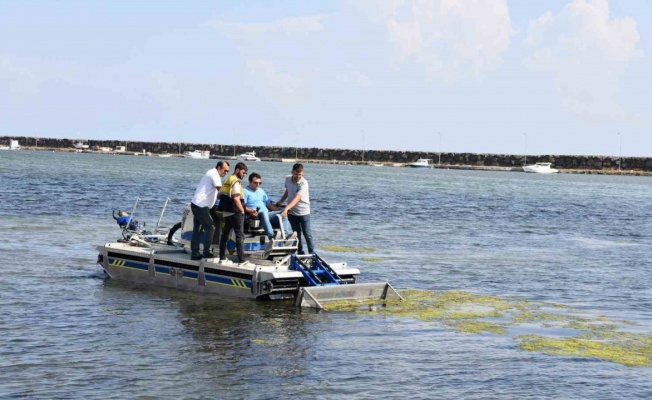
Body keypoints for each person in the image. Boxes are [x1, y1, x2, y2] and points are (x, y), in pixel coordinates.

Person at [190, 160, 229, 260]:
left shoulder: (211, 173)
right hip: (200, 206)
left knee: (197, 229)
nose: (225, 173)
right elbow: (221, 189)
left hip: (198, 204)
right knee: (211, 227)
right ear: (219, 168)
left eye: (227, 172)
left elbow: (218, 193)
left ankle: (194, 253)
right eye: (225, 171)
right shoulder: (214, 174)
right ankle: (206, 252)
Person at [277, 163, 314, 254]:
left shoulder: (304, 183)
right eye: (296, 174)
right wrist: (280, 201)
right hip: (292, 213)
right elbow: (287, 191)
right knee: (296, 234)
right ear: (292, 172)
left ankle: (312, 253)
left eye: (300, 174)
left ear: (302, 173)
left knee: (307, 234)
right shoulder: (287, 179)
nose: (298, 176)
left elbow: (297, 198)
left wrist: (286, 208)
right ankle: (300, 252)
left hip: (304, 212)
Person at [243, 172, 292, 240]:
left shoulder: (261, 191)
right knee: (264, 212)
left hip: (266, 213)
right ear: (250, 182)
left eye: (259, 183)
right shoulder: (244, 191)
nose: (258, 184)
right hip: (254, 214)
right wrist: (250, 211)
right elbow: (242, 206)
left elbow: (268, 204)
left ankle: (285, 235)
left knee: (283, 213)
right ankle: (271, 236)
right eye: (255, 182)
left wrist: (279, 209)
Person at [218, 162, 249, 265]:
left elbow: (219, 195)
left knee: (225, 234)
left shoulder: (228, 180)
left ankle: (222, 258)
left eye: (245, 173)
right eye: (243, 172)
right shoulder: (236, 181)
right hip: (236, 211)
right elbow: (236, 197)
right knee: (240, 235)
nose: (244, 175)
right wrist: (242, 210)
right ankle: (242, 260)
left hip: (227, 211)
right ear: (237, 170)